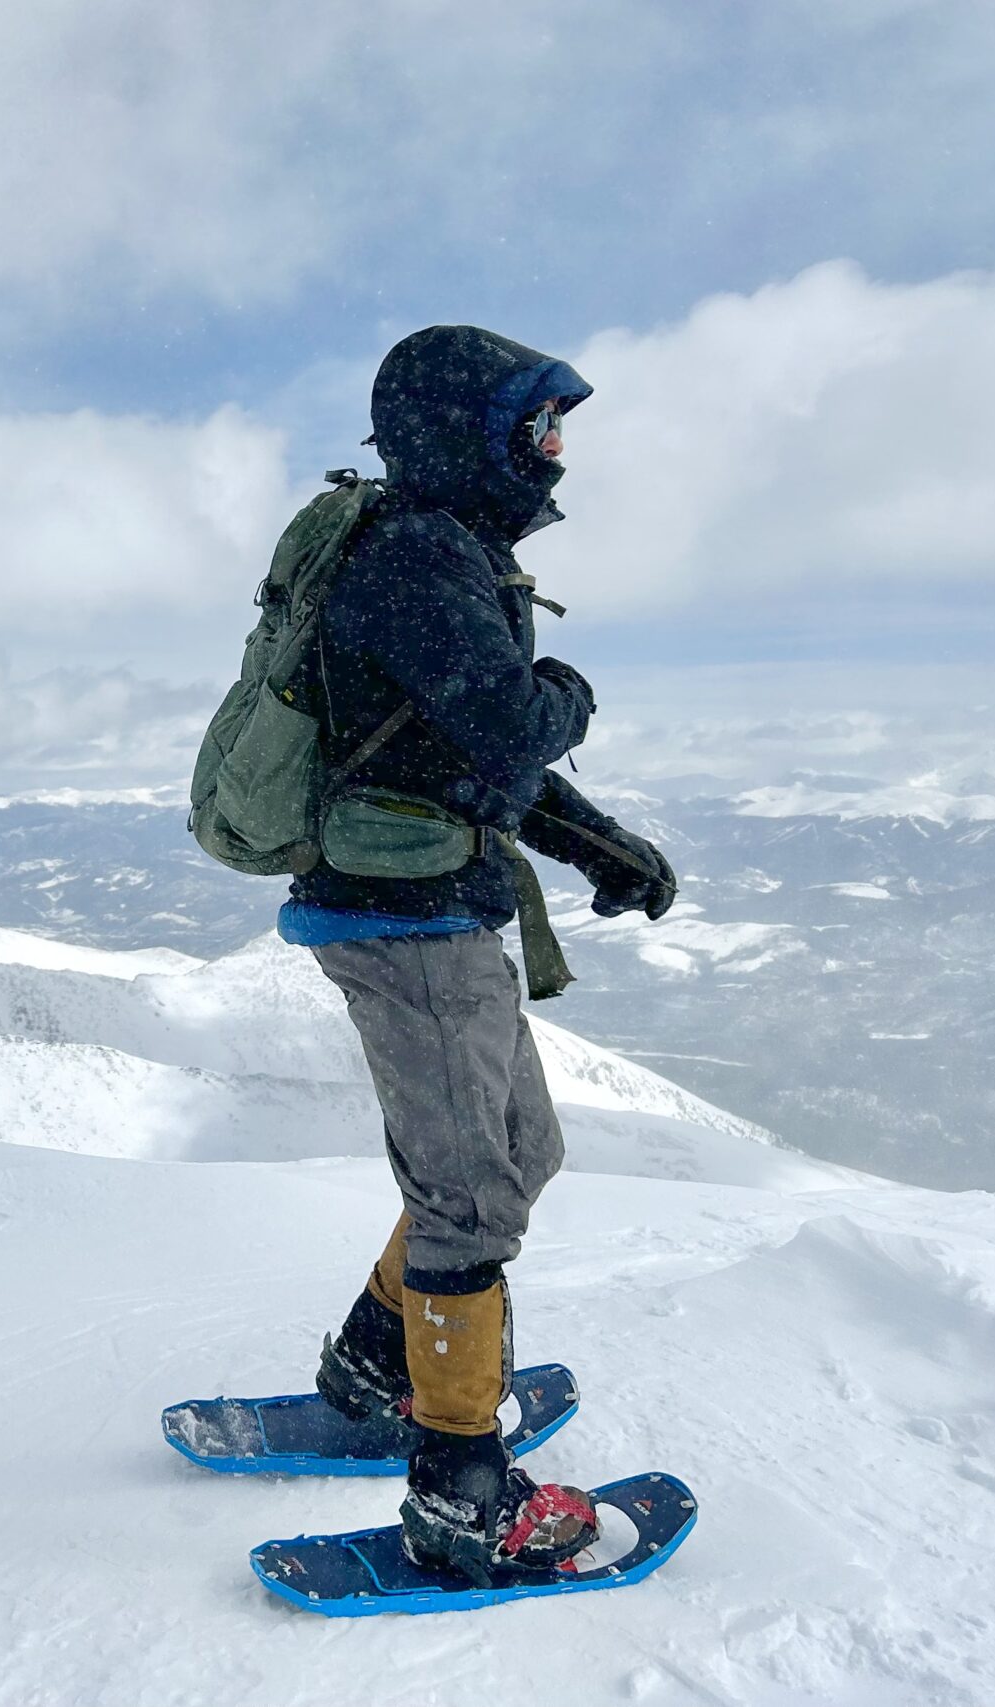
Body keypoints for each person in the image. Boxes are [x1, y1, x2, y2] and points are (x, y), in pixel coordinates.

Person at [286, 324, 679, 1583]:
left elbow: (463, 759)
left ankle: (371, 1365)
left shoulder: (442, 555)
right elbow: (514, 726)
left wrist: (603, 845)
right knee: (469, 1199)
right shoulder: (413, 559)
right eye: (536, 430)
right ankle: (459, 1496)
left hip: (437, 896)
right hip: (399, 918)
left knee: (521, 1155)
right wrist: (568, 687)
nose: (554, 456)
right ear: (469, 435)